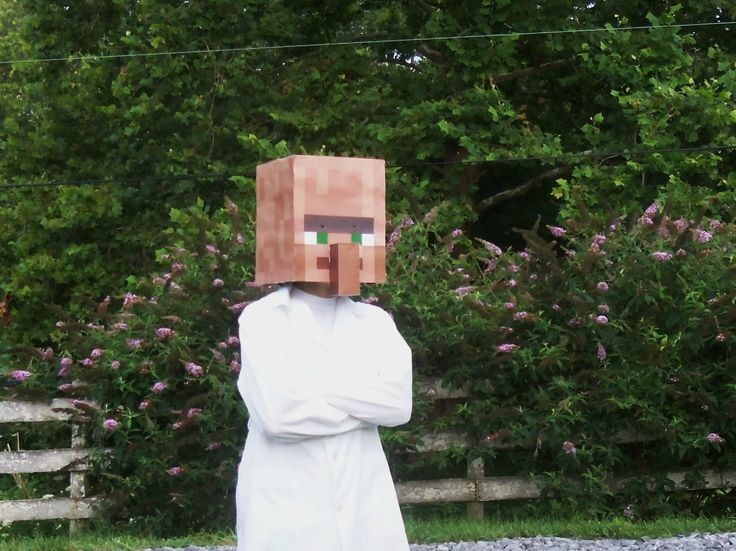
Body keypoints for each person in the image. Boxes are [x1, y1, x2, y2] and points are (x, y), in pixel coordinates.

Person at [235, 155, 413, 550]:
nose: (340, 248)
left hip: (365, 512)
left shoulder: (376, 323)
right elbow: (280, 416)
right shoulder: (263, 320)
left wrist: (315, 388)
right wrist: (360, 402)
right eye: (322, 233)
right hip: (287, 512)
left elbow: (398, 407)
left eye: (356, 234)